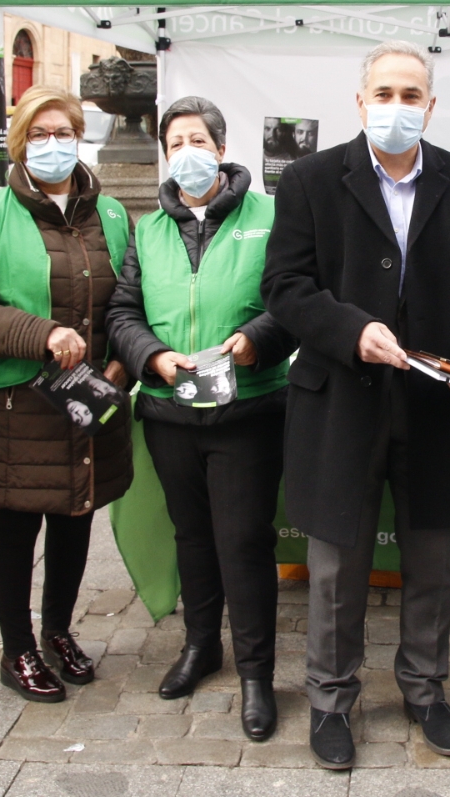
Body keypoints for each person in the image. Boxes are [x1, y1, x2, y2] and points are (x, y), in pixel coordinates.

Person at [262, 40, 450, 770]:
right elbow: (285, 287)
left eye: (411, 95)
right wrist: (350, 329)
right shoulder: (310, 179)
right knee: (337, 566)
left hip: (433, 404)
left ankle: (426, 689)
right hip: (341, 399)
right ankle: (331, 700)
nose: (396, 107)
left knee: (433, 558)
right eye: (384, 93)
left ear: (431, 106)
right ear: (360, 100)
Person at [105, 96, 298, 742]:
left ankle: (256, 674)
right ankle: (200, 645)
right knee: (192, 536)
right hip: (170, 412)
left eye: (197, 140)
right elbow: (123, 312)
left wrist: (254, 340)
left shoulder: (269, 215)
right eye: (175, 143)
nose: (186, 153)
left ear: (220, 147)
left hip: (248, 408)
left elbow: (292, 296)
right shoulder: (148, 228)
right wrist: (153, 357)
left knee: (244, 541)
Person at [0, 86, 134, 704]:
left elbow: (126, 306)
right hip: (17, 403)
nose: (54, 145)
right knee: (16, 523)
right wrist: (42, 333)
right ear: (21, 142)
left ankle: (57, 632)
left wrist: (118, 369)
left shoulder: (108, 215)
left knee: (76, 516)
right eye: (41, 134)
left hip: (86, 397)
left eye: (66, 133)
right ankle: (16, 647)